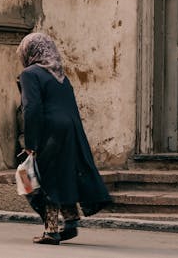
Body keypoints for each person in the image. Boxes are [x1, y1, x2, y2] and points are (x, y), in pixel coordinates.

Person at [17, 32, 111, 244]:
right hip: (69, 130)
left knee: (34, 179)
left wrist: (31, 142)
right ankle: (70, 220)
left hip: (49, 131)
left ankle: (51, 230)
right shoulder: (60, 74)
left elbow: (31, 108)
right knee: (60, 174)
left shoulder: (30, 73)